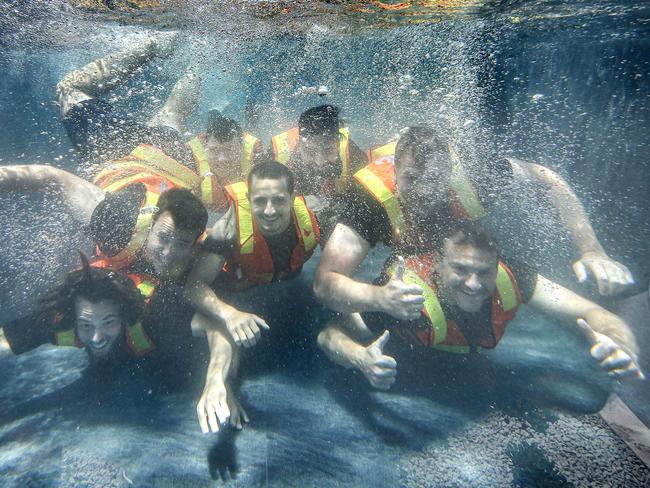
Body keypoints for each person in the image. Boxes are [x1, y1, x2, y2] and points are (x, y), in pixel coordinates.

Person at [313, 126, 634, 326]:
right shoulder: (369, 201)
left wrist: (592, 250)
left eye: (435, 179)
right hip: (381, 207)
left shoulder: (475, 178)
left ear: (449, 174)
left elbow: (545, 179)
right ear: (395, 173)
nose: (424, 191)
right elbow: (325, 283)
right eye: (412, 178)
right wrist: (379, 298)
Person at [317, 222, 643, 390]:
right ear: (437, 267)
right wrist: (360, 358)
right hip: (412, 371)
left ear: (497, 265)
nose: (473, 284)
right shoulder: (406, 299)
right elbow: (330, 334)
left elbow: (595, 314)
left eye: (483, 272)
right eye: (460, 270)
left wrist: (623, 347)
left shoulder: (516, 277)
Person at [195, 160, 321, 433]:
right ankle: (223, 385)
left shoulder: (316, 216)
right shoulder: (229, 227)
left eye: (278, 200)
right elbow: (195, 286)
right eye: (260, 201)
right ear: (248, 200)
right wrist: (229, 313)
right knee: (221, 327)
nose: (269, 211)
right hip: (237, 294)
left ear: (292, 198)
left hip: (284, 293)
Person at [270, 104, 368, 240]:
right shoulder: (277, 156)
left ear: (337, 144)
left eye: (328, 151)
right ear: (300, 145)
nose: (319, 162)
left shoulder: (354, 157)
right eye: (310, 152)